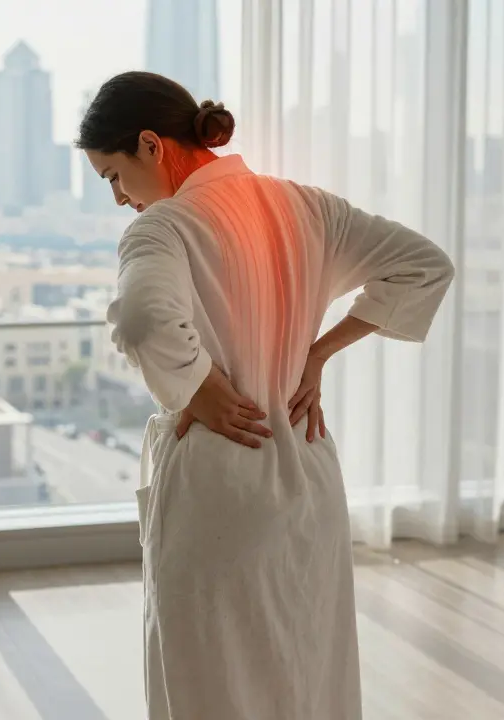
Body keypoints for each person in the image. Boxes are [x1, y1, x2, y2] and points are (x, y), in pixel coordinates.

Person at [77, 71, 454, 720]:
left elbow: (140, 320)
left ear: (149, 145)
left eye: (112, 175)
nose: (117, 198)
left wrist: (199, 390)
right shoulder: (305, 206)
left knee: (212, 686)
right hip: (306, 474)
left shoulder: (162, 229)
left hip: (219, 484)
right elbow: (425, 264)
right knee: (305, 674)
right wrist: (317, 351)